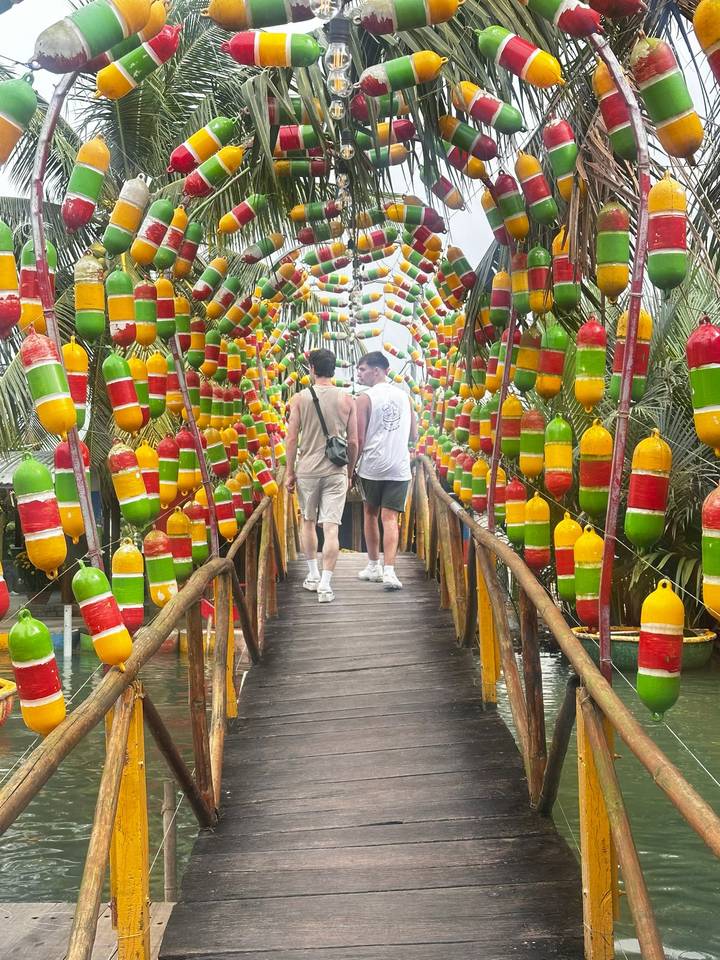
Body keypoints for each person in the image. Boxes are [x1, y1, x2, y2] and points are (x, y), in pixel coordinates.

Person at [285, 348, 357, 603]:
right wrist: (349, 473)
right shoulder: (347, 399)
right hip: (336, 470)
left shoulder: (300, 398)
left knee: (308, 521)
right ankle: (326, 586)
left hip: (307, 470)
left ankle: (313, 575)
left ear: (312, 369)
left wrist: (289, 472)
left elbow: (292, 437)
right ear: (333, 368)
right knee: (331, 527)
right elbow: (354, 442)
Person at [355, 351, 417, 590]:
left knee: (370, 513)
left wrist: (352, 467)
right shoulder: (405, 397)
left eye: (362, 369)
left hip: (371, 466)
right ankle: (390, 571)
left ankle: (373, 566)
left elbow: (358, 438)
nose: (359, 374)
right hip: (399, 466)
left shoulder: (364, 398)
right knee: (390, 518)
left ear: (377, 371)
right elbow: (413, 434)